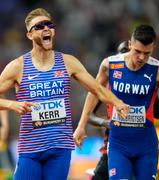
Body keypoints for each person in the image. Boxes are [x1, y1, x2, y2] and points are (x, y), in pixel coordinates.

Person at [0, 8, 130, 180]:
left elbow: (97, 89)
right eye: (39, 26)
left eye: (49, 24)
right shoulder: (18, 66)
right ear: (29, 35)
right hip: (30, 150)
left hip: (60, 149)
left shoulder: (68, 62)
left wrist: (118, 102)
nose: (46, 28)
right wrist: (12, 104)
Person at [75, 25, 159, 180]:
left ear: (153, 48)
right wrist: (81, 126)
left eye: (147, 53)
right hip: (119, 142)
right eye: (137, 51)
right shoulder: (109, 65)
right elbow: (94, 92)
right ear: (130, 44)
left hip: (146, 144)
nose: (142, 58)